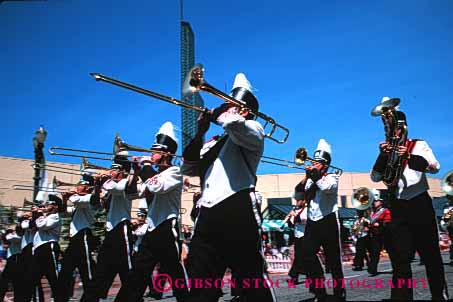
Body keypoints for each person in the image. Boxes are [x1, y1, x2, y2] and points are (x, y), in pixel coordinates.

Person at [182, 72, 276, 301]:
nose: (224, 106)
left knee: (250, 279)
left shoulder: (253, 128)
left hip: (237, 206)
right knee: (200, 281)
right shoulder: (214, 142)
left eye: (231, 103)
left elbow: (233, 123)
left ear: (245, 110)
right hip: (206, 212)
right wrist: (201, 132)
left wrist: (224, 114)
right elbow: (189, 167)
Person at [370, 100, 448, 300]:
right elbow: (376, 178)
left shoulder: (418, 144)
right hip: (398, 207)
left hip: (419, 203)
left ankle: (439, 295)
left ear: (403, 127)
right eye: (388, 128)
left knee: (431, 255)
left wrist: (409, 157)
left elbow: (434, 166)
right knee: (400, 260)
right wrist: (382, 156)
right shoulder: (387, 150)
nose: (391, 133)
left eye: (395, 128)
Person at [115, 121, 189, 302]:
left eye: (154, 151)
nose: (150, 154)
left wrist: (146, 167)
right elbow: (132, 194)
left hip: (166, 227)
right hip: (152, 228)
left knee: (174, 272)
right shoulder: (152, 174)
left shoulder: (174, 172)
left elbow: (156, 186)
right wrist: (134, 171)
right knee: (137, 273)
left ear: (166, 153)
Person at [295, 139, 346, 301]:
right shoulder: (310, 179)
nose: (313, 164)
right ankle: (319, 288)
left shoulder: (332, 177)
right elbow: (298, 196)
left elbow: (326, 188)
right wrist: (305, 177)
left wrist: (314, 175)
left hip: (328, 220)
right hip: (312, 221)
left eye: (317, 162)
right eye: (313, 161)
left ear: (325, 165)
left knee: (333, 259)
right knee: (306, 254)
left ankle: (339, 292)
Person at [85, 152, 138, 302]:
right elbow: (95, 205)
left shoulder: (124, 183)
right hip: (111, 231)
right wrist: (96, 185)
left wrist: (105, 180)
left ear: (122, 171)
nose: (110, 171)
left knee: (127, 270)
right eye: (111, 169)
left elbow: (115, 188)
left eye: (114, 169)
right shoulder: (110, 185)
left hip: (122, 228)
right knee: (101, 270)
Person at [57, 180, 99, 302]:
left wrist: (71, 194)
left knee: (87, 272)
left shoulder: (90, 199)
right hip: (74, 239)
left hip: (84, 236)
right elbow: (63, 212)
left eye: (80, 186)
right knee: (65, 272)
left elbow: (77, 200)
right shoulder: (76, 204)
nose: (77, 188)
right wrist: (64, 199)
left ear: (86, 188)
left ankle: (91, 298)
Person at [32, 198, 62, 301]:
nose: (46, 206)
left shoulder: (55, 217)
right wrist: (35, 214)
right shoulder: (45, 216)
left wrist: (39, 214)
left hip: (49, 247)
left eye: (49, 204)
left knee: (53, 277)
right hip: (39, 248)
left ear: (55, 207)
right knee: (34, 278)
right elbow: (33, 227)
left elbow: (42, 225)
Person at [286, 198, 308, 284]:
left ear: (304, 201)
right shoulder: (296, 210)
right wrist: (289, 219)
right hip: (297, 236)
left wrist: (295, 215)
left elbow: (304, 220)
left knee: (302, 257)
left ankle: (294, 276)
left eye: (299, 200)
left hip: (305, 236)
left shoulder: (306, 209)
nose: (297, 202)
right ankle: (295, 276)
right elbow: (292, 225)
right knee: (299, 257)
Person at [0, 225, 22, 301]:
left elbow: (8, 238)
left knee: (15, 282)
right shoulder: (12, 235)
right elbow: (5, 242)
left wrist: (10, 230)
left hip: (17, 258)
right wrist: (7, 230)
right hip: (12, 258)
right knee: (4, 281)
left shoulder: (19, 236)